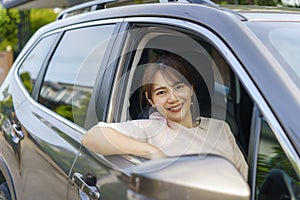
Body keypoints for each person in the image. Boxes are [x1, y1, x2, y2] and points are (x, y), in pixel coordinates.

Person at [82, 54, 248, 179]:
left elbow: (246, 180)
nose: (173, 98)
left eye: (179, 86)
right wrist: (152, 151)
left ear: (191, 89)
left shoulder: (221, 128)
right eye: (161, 92)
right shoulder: (153, 128)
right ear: (151, 100)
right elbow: (92, 137)